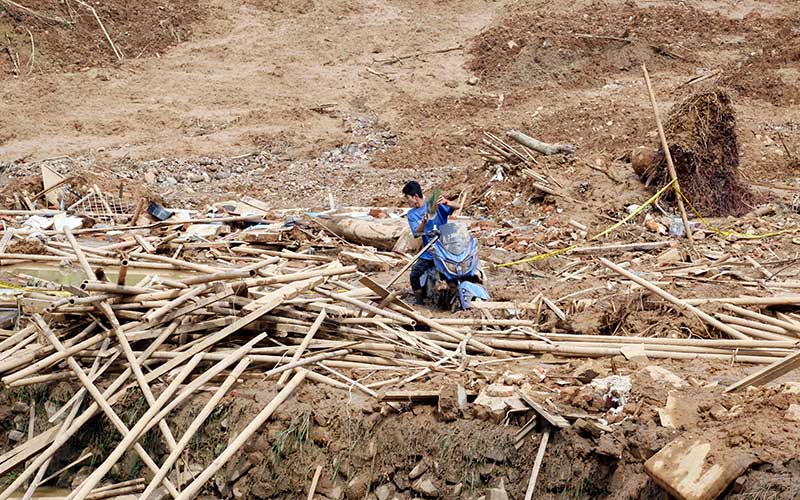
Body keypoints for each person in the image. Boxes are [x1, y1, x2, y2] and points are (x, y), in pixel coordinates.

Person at [402, 180, 461, 305]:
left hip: (445, 249)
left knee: (458, 272)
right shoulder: (412, 214)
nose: (407, 202)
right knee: (414, 274)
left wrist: (447, 202)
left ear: (415, 196)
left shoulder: (434, 204)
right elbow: (416, 233)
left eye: (407, 198)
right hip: (428, 251)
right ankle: (419, 302)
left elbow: (457, 206)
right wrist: (423, 222)